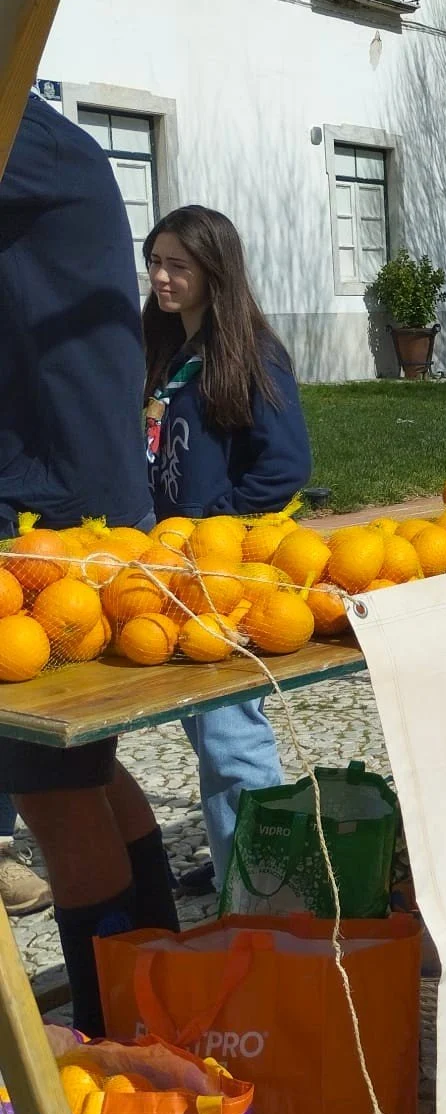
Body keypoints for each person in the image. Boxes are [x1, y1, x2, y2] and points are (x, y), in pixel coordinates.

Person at [0, 93, 180, 1034]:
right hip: (77, 499)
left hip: (53, 515)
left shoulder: (18, 135)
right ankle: (159, 996)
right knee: (91, 777)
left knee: (53, 793)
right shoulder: (46, 138)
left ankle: (123, 1043)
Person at [144, 206, 312, 892]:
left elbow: (285, 466)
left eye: (177, 265)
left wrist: (217, 524)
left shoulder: (249, 353)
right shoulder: (167, 351)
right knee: (203, 728)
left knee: (229, 730)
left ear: (216, 273)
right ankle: (235, 859)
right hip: (172, 566)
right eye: (155, 261)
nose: (160, 276)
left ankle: (267, 885)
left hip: (223, 568)